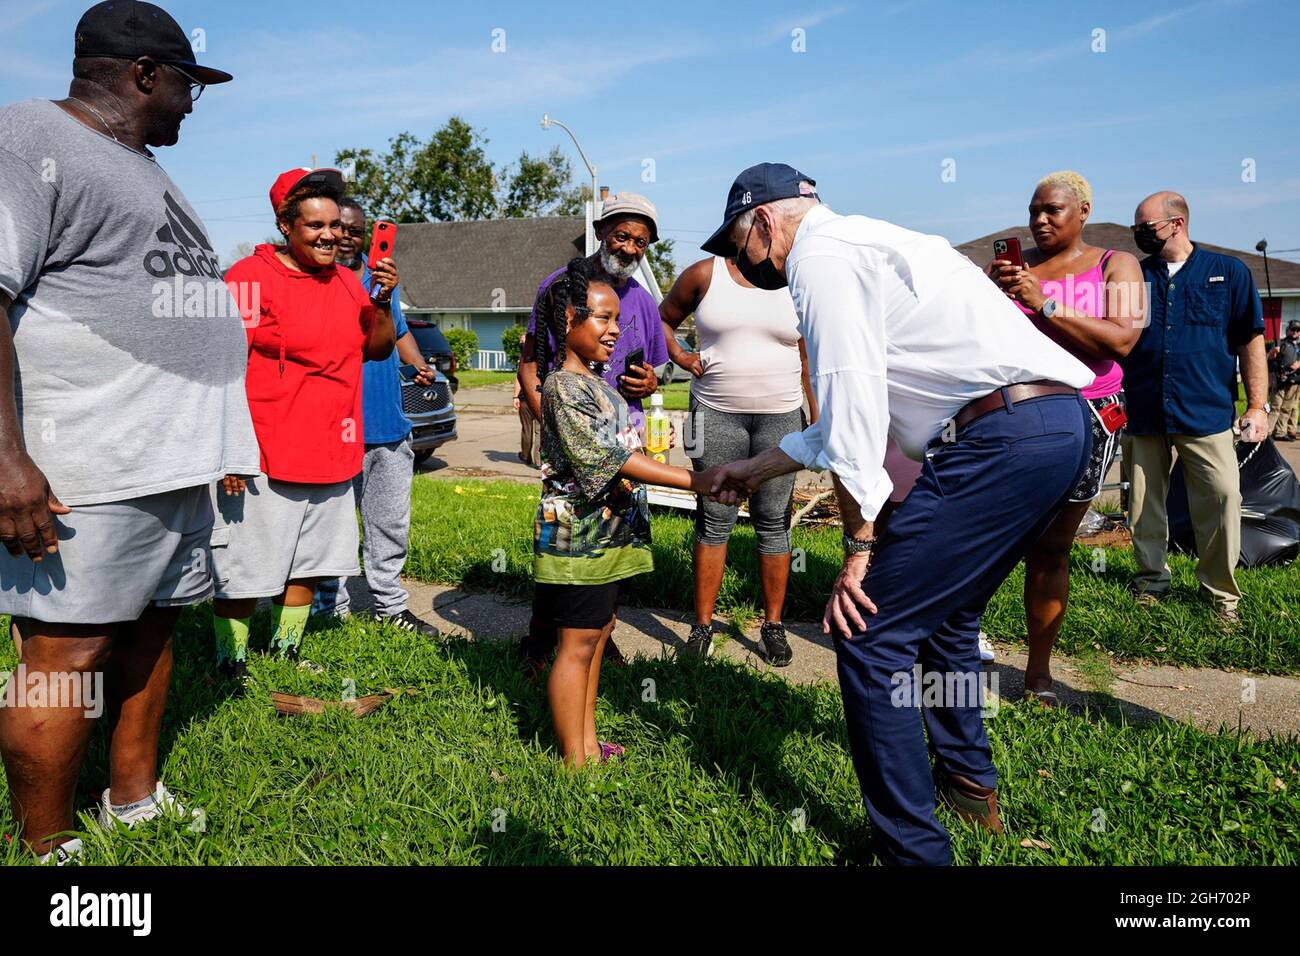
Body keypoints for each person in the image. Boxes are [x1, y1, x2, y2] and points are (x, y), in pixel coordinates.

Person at [705, 163, 1095, 866]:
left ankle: (910, 853)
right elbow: (844, 428)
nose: (739, 263)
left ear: (764, 222)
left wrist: (860, 547)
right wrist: (754, 467)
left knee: (867, 632)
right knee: (948, 620)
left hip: (1002, 439)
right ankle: (969, 789)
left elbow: (852, 411)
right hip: (1055, 426)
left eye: (738, 245)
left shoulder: (819, 261)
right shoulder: (865, 243)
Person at [0, 0, 258, 860]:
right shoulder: (33, 137)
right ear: (145, 74)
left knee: (152, 633)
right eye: (189, 84)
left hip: (171, 465)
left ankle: (133, 799)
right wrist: (6, 459)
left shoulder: (138, 163)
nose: (193, 101)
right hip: (90, 467)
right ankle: (50, 852)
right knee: (64, 660)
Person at [532, 257, 722, 766]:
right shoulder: (562, 387)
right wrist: (695, 480)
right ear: (569, 317)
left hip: (609, 534)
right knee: (574, 646)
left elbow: (624, 447)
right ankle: (575, 759)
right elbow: (608, 459)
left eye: (618, 319)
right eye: (602, 318)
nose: (616, 330)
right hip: (579, 537)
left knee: (596, 639)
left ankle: (588, 743)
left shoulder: (600, 384)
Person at [211, 169, 396, 678]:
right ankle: (231, 660)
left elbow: (376, 349)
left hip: (333, 451)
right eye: (315, 224)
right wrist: (230, 451)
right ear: (285, 224)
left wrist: (380, 299)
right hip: (265, 454)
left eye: (336, 225)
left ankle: (286, 649)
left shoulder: (345, 281)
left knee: (308, 562)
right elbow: (223, 364)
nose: (330, 235)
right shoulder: (248, 276)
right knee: (246, 568)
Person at [987, 172, 1144, 704]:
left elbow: (1122, 340)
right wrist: (989, 295)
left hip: (1091, 413)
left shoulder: (1115, 265)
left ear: (1083, 210)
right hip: (1018, 410)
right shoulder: (1018, 269)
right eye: (1034, 211)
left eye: (1052, 210)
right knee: (987, 538)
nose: (1040, 221)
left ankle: (1037, 672)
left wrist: (1045, 302)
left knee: (1051, 549)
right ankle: (962, 648)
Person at [516, 193, 670, 674]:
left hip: (622, 439)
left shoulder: (643, 301)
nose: (628, 248)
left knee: (613, 545)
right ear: (601, 231)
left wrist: (652, 381)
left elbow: (660, 368)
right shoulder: (561, 286)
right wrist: (552, 422)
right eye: (622, 235)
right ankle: (544, 640)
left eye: (640, 243)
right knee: (565, 541)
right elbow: (528, 363)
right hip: (571, 433)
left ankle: (600, 633)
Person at [659, 255, 818, 664]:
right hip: (712, 414)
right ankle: (702, 627)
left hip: (782, 416)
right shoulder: (702, 274)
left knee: (773, 519)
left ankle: (773, 627)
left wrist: (817, 416)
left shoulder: (795, 278)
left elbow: (806, 355)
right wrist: (680, 356)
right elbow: (662, 321)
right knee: (714, 516)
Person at [1121, 191, 1269, 626]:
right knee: (1143, 504)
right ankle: (1151, 582)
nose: (1139, 236)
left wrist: (1257, 406)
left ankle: (1221, 596)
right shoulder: (1134, 277)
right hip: (1144, 410)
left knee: (1222, 497)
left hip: (1205, 412)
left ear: (1177, 223)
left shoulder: (1229, 273)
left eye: (1145, 228)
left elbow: (1251, 341)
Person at [311, 197, 440, 638]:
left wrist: (419, 364)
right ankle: (330, 609)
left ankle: (390, 606)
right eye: (339, 228)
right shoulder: (318, 278)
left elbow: (398, 330)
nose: (346, 237)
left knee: (389, 522)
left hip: (388, 421)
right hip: (334, 427)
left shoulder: (381, 275)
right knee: (335, 527)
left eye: (355, 230)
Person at [1268, 321, 1300, 441]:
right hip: (1279, 379)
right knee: (1275, 407)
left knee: (1287, 408)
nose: (1295, 332)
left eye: (1298, 330)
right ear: (1288, 330)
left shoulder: (1299, 346)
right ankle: (1267, 432)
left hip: (1294, 380)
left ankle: (1280, 432)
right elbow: (1269, 359)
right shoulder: (1280, 344)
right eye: (1293, 329)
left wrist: (1298, 365)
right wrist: (1273, 353)